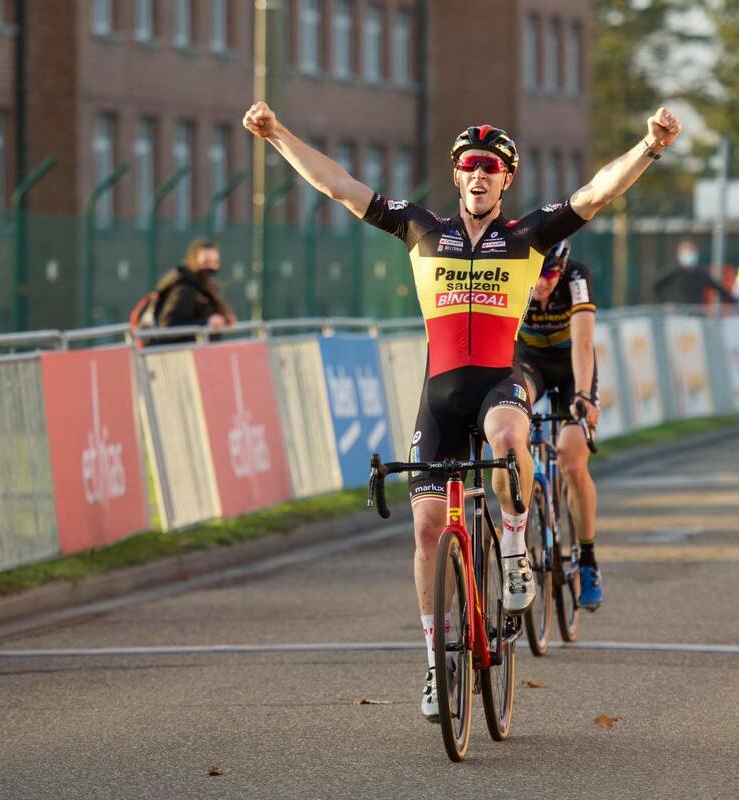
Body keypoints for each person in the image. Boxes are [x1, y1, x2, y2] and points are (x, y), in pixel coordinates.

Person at [242, 100, 682, 722]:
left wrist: (649, 147)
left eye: (492, 168)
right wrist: (277, 133)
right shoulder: (419, 228)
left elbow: (594, 194)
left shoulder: (528, 235)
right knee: (425, 531)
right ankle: (432, 663)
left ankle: (511, 547)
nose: (480, 176)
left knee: (508, 439)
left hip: (499, 382)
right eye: (470, 166)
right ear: (457, 176)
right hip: (441, 395)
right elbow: (339, 187)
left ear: (507, 180)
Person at [516, 240, 605, 610]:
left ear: (563, 267)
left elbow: (584, 342)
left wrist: (583, 395)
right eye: (536, 275)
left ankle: (587, 559)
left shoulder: (576, 277)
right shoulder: (514, 274)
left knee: (571, 461)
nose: (541, 284)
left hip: (571, 367)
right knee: (509, 421)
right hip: (528, 361)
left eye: (550, 274)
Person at [153, 239, 238, 331]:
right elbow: (168, 326)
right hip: (182, 345)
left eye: (216, 262)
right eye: (206, 262)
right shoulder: (185, 289)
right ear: (194, 261)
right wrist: (206, 322)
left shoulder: (205, 287)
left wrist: (224, 319)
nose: (212, 267)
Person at [653, 239, 736, 306]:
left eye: (691, 251)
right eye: (686, 252)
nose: (689, 255)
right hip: (677, 315)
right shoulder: (674, 272)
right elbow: (657, 285)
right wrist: (666, 302)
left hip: (696, 314)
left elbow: (719, 289)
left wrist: (738, 302)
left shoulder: (701, 273)